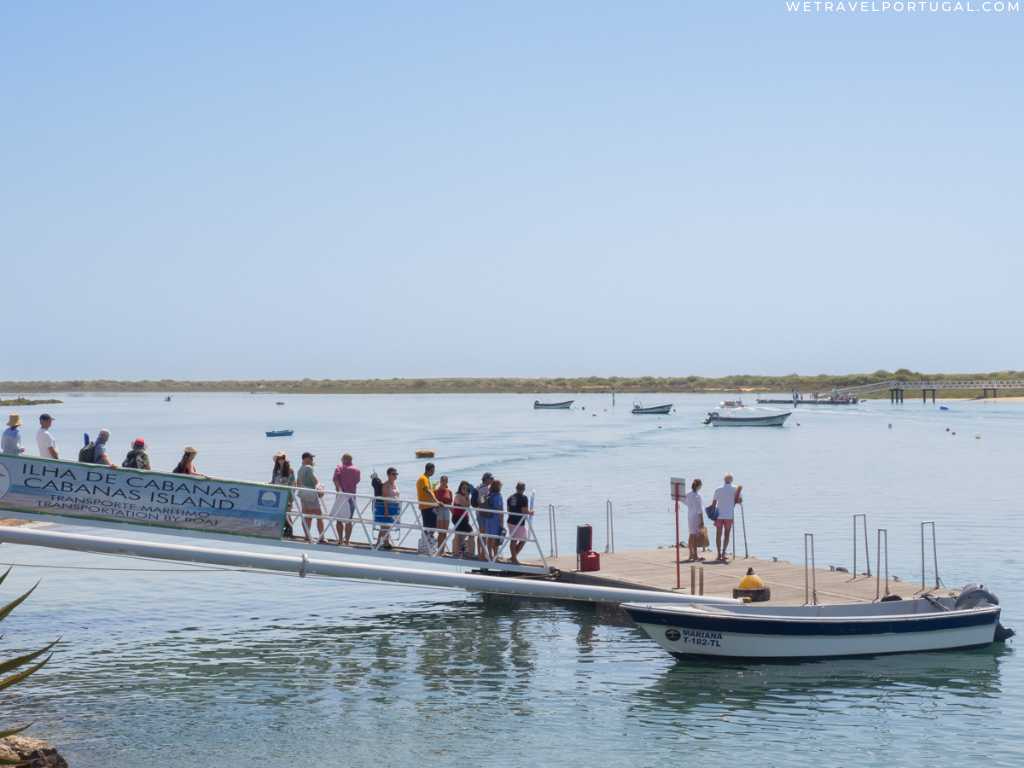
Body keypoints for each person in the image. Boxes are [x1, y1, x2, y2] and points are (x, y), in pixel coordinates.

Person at [331, 453, 361, 546]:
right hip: (351, 497)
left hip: (341, 496)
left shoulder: (339, 468)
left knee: (339, 519)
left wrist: (338, 488)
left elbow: (335, 479)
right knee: (349, 520)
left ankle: (340, 540)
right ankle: (347, 541)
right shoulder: (357, 470)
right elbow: (357, 481)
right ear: (351, 460)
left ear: (343, 459)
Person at [296, 452, 325, 543]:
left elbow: (298, 483)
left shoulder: (300, 469)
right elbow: (315, 481)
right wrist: (320, 488)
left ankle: (307, 536)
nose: (312, 460)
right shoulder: (309, 468)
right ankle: (322, 537)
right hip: (310, 493)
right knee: (319, 515)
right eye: (310, 458)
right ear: (305, 459)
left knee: (307, 516)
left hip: (303, 494)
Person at [711, 473, 738, 563]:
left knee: (718, 534)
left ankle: (718, 553)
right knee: (727, 534)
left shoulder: (718, 489)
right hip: (729, 515)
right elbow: (739, 500)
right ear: (731, 480)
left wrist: (712, 514)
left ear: (724, 480)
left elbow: (714, 504)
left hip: (719, 515)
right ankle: (723, 553)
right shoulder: (735, 489)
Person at [416, 463, 441, 552]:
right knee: (429, 526)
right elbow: (427, 491)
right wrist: (436, 501)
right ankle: (425, 546)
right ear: (428, 470)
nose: (433, 472)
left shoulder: (426, 479)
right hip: (426, 507)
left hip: (429, 506)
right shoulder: (423, 479)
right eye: (433, 470)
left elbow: (430, 491)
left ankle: (427, 545)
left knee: (431, 526)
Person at [272, 451, 297, 539]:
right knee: (279, 513)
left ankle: (290, 530)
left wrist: (290, 498)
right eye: (279, 458)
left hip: (287, 495)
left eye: (282, 458)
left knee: (287, 513)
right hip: (277, 495)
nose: (280, 460)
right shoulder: (275, 470)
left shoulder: (290, 470)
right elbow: (273, 482)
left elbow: (293, 484)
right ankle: (281, 530)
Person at [374, 467, 400, 549]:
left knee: (387, 526)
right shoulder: (386, 485)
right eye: (393, 474)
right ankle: (378, 543)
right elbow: (384, 498)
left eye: (396, 474)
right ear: (388, 475)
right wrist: (386, 510)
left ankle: (386, 542)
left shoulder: (395, 484)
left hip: (394, 508)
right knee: (385, 526)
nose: (395, 475)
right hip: (387, 508)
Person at [505, 482, 531, 564]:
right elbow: (524, 511)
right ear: (523, 489)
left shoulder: (510, 497)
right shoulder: (524, 498)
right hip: (519, 522)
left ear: (516, 488)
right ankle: (514, 558)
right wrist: (531, 512)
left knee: (514, 539)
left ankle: (513, 557)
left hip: (510, 521)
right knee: (522, 539)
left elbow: (508, 510)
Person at [481, 479, 505, 561]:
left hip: (488, 519)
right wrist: (502, 521)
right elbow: (500, 509)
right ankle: (495, 555)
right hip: (495, 519)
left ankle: (489, 554)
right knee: (496, 537)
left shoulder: (489, 495)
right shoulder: (498, 496)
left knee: (489, 538)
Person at [451, 481, 474, 559]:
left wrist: (468, 496)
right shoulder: (458, 496)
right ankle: (456, 553)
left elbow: (468, 505)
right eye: (463, 488)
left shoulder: (466, 496)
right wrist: (467, 496)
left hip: (464, 519)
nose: (464, 490)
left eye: (467, 488)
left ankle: (468, 552)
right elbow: (466, 505)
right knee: (459, 535)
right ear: (460, 488)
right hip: (458, 518)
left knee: (469, 534)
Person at [473, 472, 494, 560]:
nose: (492, 480)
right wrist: (488, 498)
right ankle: (482, 553)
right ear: (486, 479)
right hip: (482, 513)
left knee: (482, 533)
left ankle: (481, 552)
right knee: (483, 533)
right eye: (491, 478)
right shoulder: (484, 488)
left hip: (479, 512)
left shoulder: (479, 486)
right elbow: (481, 500)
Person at [684, 479, 704, 563]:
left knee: (691, 535)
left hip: (690, 515)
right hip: (696, 516)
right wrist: (702, 520)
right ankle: (695, 555)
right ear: (699, 486)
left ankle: (691, 554)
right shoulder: (698, 496)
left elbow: (684, 501)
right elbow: (700, 510)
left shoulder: (688, 494)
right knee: (695, 536)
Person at [434, 475, 452, 554]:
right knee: (440, 532)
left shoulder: (449, 491)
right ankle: (439, 549)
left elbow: (450, 502)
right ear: (440, 481)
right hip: (439, 510)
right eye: (443, 481)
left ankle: (443, 550)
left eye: (446, 481)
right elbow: (434, 502)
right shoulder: (436, 491)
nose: (444, 482)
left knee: (445, 532)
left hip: (446, 510)